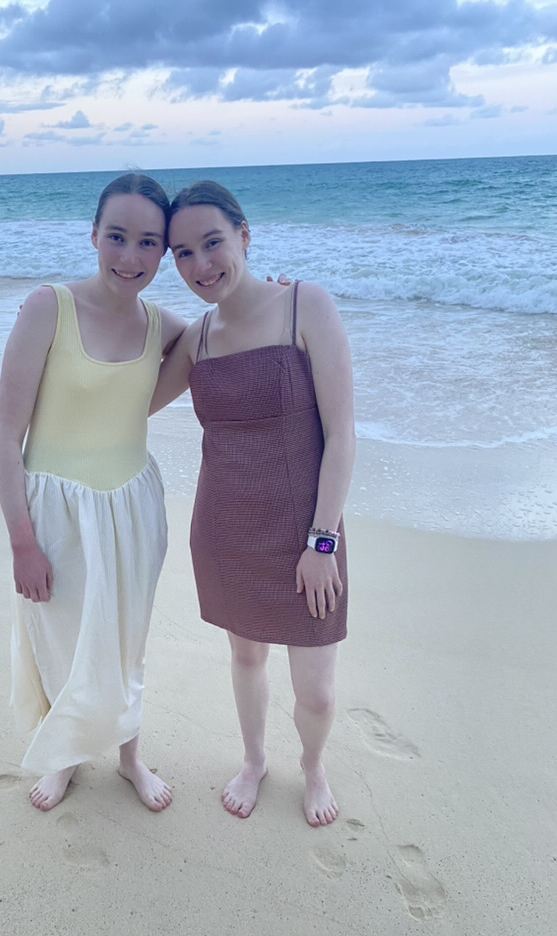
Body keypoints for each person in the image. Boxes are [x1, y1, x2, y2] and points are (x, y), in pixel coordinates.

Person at [150, 181, 355, 826]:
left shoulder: (305, 306)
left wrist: (322, 542)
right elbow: (132, 400)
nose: (200, 265)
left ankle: (314, 767)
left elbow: (343, 434)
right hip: (226, 527)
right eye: (182, 253)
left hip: (304, 532)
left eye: (212, 242)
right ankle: (254, 758)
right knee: (244, 655)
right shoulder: (197, 339)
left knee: (317, 691)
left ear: (245, 233)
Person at [0, 173, 186, 813]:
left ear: (164, 251)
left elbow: (226, 336)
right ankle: (66, 755)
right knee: (61, 638)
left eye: (148, 243)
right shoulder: (49, 306)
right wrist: (22, 540)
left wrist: (272, 298)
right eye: (117, 237)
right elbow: (4, 434)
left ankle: (130, 756)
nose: (130, 257)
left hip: (134, 506)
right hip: (54, 511)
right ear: (94, 235)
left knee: (127, 638)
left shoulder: (164, 326)